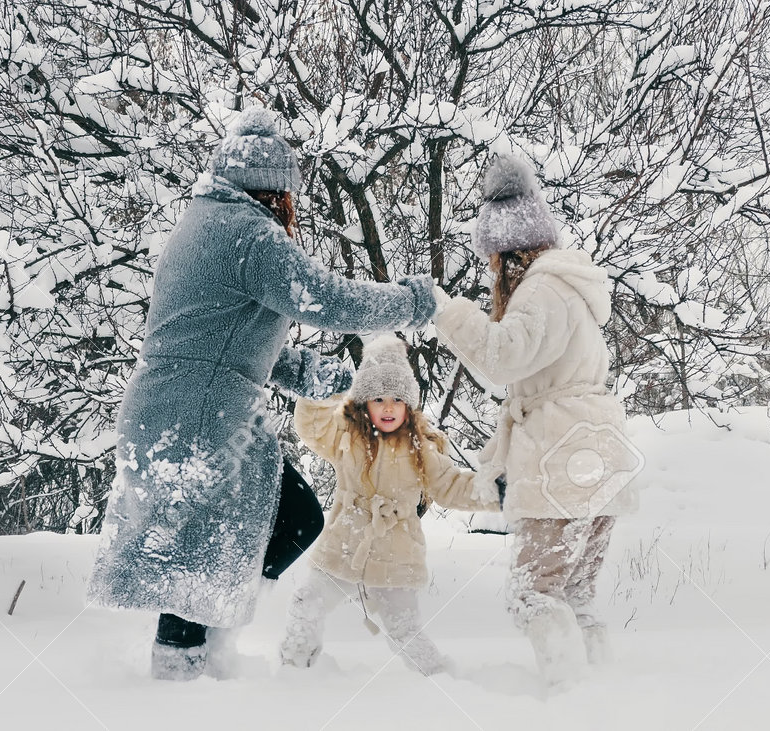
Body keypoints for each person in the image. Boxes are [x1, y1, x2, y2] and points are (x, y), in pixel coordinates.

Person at [86, 107, 437, 681]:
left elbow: (213, 331)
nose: (292, 213)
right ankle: (177, 688)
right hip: (200, 418)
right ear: (275, 193)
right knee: (226, 549)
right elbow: (329, 300)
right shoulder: (248, 233)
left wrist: (300, 372)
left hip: (175, 409)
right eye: (290, 199)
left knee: (247, 536)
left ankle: (199, 658)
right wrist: (412, 303)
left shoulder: (204, 223)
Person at [432, 156, 640, 685]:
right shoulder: (567, 288)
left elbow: (503, 356)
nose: (490, 272)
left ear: (506, 252)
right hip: (593, 452)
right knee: (573, 592)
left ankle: (570, 697)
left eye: (491, 260)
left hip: (562, 456)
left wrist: (446, 312)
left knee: (533, 591)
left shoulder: (543, 289)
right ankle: (602, 690)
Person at [279, 336, 499, 675]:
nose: (387, 407)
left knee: (404, 630)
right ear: (363, 402)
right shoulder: (346, 436)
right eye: (378, 399)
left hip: (397, 551)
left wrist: (497, 490)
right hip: (346, 542)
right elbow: (313, 428)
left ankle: (439, 679)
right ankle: (292, 670)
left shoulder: (421, 448)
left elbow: (453, 485)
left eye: (397, 400)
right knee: (307, 602)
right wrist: (318, 391)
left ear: (408, 405)